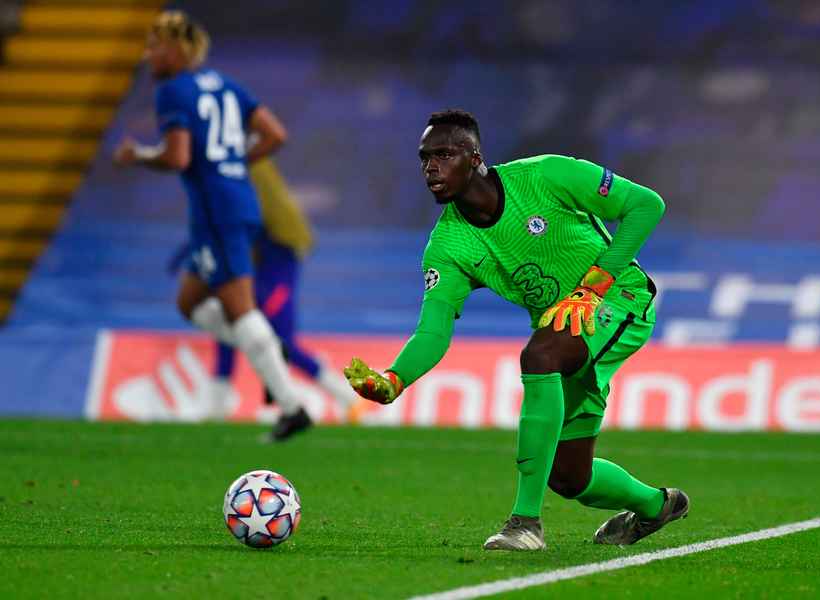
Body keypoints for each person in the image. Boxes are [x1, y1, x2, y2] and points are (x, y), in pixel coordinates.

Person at [344, 109, 689, 550]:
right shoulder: (447, 247)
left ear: (475, 158)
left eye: (444, 155)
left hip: (620, 299)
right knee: (569, 476)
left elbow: (646, 205)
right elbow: (433, 332)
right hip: (566, 330)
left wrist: (593, 286)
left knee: (539, 354)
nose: (431, 167)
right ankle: (657, 504)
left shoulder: (547, 175)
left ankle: (525, 524)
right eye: (425, 158)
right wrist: (394, 380)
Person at [113, 10, 313, 441]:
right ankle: (266, 348)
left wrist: (139, 155)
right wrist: (234, 162)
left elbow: (178, 157)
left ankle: (291, 405)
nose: (148, 55)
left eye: (155, 47)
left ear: (176, 50)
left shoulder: (171, 91)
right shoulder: (225, 84)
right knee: (189, 302)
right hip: (234, 204)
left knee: (240, 310)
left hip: (218, 211)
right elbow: (275, 135)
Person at [168, 157, 361, 420]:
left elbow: (229, 226)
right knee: (232, 322)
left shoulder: (260, 203)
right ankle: (218, 405)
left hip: (274, 279)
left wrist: (189, 255)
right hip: (257, 274)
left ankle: (347, 396)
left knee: (282, 344)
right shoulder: (246, 192)